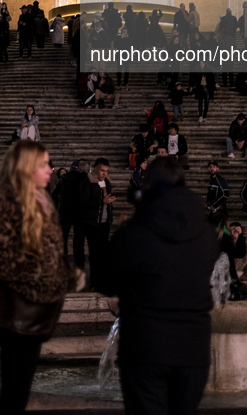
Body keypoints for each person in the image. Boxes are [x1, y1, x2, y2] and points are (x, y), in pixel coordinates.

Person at [100, 157, 219, 415]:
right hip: (193, 347)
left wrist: (119, 238)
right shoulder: (206, 232)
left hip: (145, 346)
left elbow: (105, 281)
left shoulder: (135, 232)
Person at [0, 140, 75, 414]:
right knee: (15, 398)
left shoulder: (40, 199)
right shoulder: (8, 202)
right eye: (43, 164)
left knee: (18, 395)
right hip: (17, 314)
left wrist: (62, 274)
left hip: (35, 314)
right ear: (26, 168)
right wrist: (36, 273)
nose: (50, 170)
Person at [79, 158, 116, 291]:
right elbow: (83, 202)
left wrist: (110, 202)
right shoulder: (88, 182)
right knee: (94, 253)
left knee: (103, 253)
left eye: (106, 171)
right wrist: (102, 201)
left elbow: (105, 201)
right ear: (95, 169)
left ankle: (102, 280)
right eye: (102, 170)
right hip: (92, 223)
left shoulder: (107, 182)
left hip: (105, 223)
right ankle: (94, 282)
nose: (104, 173)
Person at [51, 159, 88, 269]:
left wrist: (60, 204)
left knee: (63, 238)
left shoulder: (64, 179)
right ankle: (79, 265)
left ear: (71, 169)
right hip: (79, 213)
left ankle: (62, 262)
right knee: (79, 241)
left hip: (65, 212)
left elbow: (54, 194)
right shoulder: (83, 179)